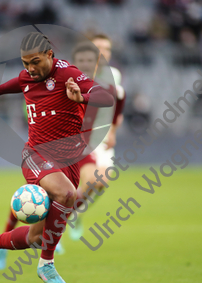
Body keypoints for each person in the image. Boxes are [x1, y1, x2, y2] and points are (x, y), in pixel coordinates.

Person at [0, 32, 114, 283]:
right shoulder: (28, 76)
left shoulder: (68, 74)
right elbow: (18, 82)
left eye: (35, 62)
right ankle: (46, 264)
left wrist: (82, 98)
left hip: (69, 160)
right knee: (68, 194)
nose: (30, 69)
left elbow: (106, 97)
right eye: (25, 64)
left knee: (37, 237)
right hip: (36, 155)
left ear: (49, 55)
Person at [69, 33, 126, 240]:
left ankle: (71, 213)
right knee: (94, 178)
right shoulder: (76, 75)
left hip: (102, 138)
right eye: (99, 47)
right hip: (80, 138)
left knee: (101, 181)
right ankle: (65, 215)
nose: (104, 52)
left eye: (107, 48)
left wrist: (113, 131)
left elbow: (119, 99)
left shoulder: (114, 75)